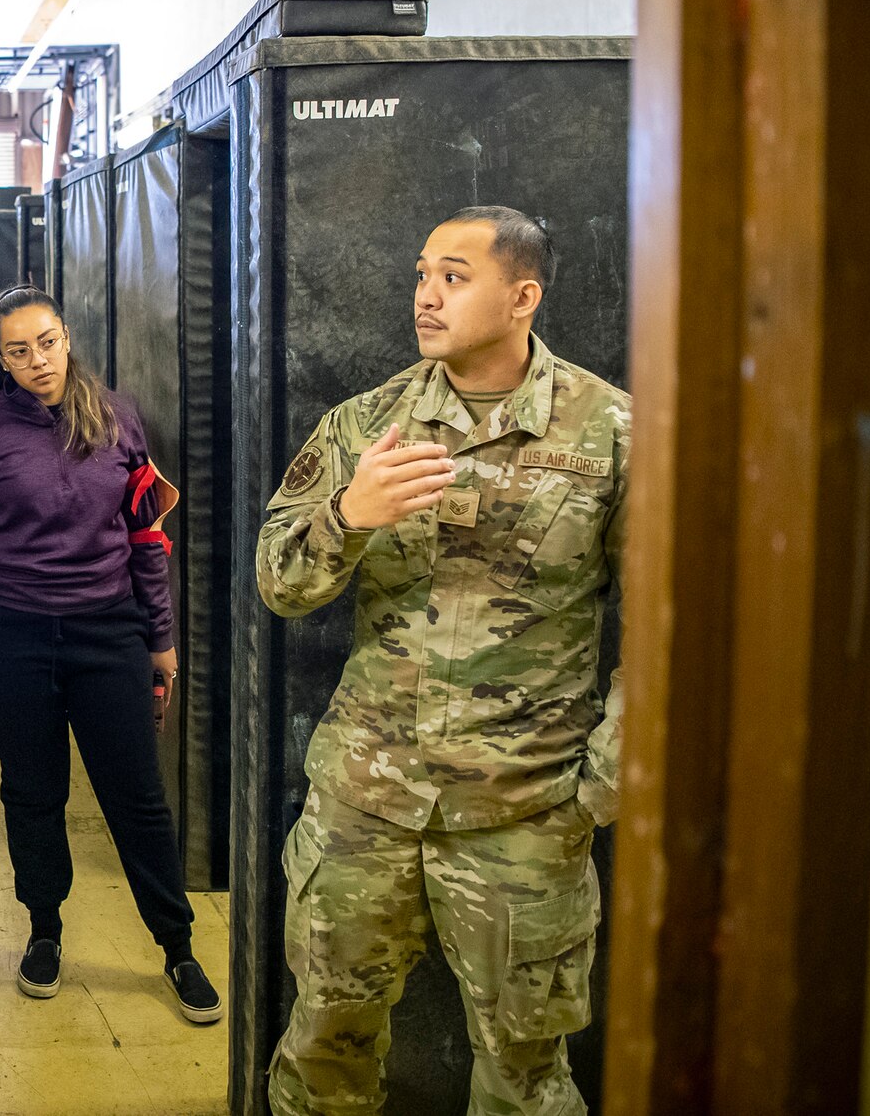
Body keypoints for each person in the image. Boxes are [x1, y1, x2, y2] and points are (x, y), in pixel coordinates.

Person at [258, 207, 626, 1115]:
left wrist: (600, 787)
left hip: (523, 817)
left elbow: (675, 623)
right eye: (422, 272)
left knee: (527, 1078)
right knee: (323, 1053)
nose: (426, 293)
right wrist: (349, 515)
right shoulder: (369, 423)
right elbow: (276, 581)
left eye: (454, 276)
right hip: (364, 806)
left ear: (522, 295)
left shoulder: (611, 433)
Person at [0, 284, 221, 1024]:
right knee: (33, 791)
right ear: (0, 357)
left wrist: (160, 639)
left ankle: (177, 944)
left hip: (107, 632)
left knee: (138, 797)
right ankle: (45, 928)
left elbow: (146, 538)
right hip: (10, 637)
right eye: (19, 349)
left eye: (48, 342)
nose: (38, 360)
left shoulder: (117, 416)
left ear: (67, 338)